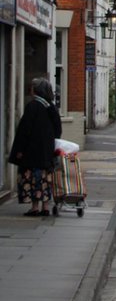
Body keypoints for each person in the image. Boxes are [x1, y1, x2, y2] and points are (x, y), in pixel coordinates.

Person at [8, 78, 62, 216]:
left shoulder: (32, 106)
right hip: (46, 152)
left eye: (31, 87)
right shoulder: (51, 107)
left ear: (36, 90)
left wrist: (19, 150)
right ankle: (45, 207)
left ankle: (34, 207)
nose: (30, 90)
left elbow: (24, 130)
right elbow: (58, 130)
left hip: (31, 152)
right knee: (45, 179)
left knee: (32, 178)